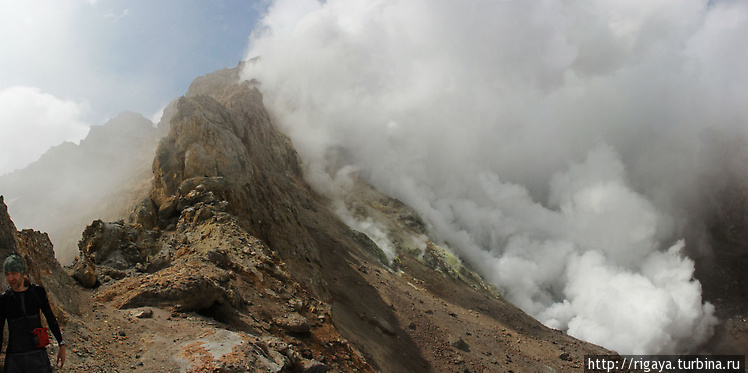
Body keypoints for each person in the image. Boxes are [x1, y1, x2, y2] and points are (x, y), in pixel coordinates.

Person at [0, 255, 66, 372]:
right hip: (15, 358)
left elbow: (50, 319)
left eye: (14, 273)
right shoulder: (5, 299)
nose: (10, 278)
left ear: (22, 272)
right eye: (7, 274)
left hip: (37, 355)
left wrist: (61, 344)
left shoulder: (37, 293)